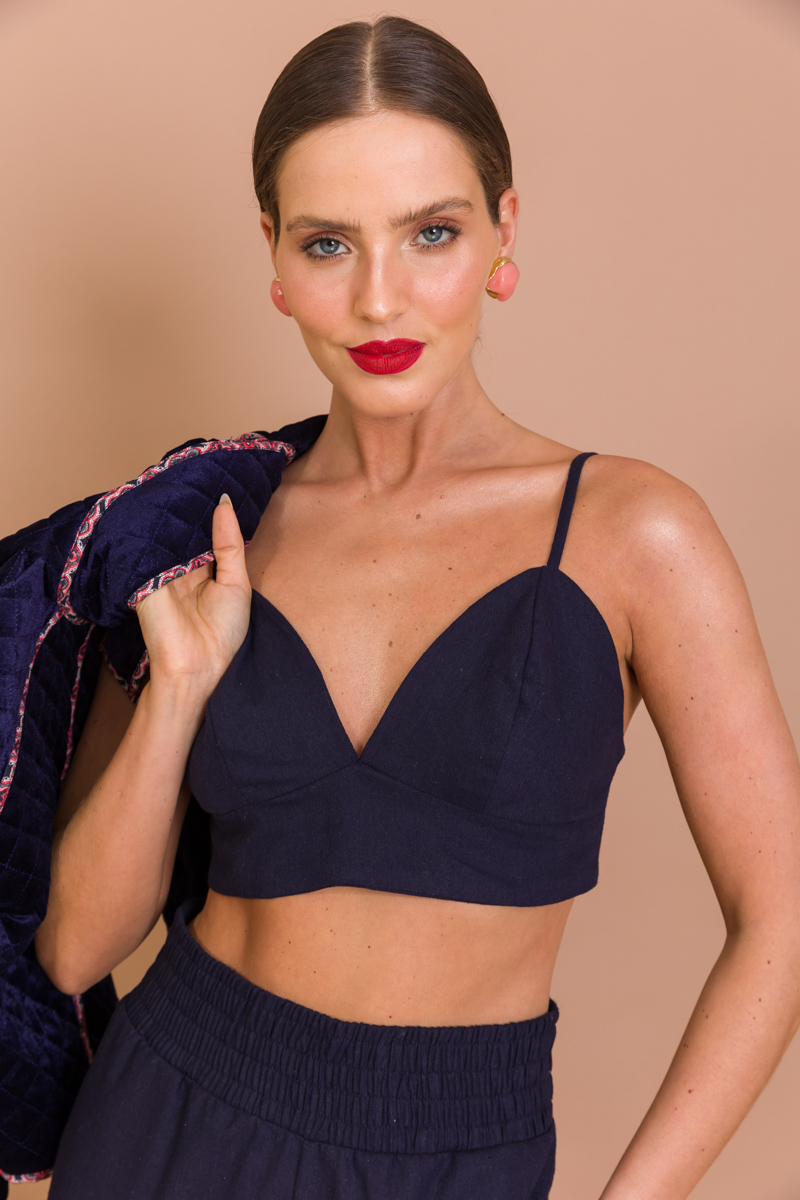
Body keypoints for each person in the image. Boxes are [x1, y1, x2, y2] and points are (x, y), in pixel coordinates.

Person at [35, 15, 800, 1200]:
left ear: (503, 230)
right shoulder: (213, 522)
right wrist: (178, 689)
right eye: (328, 243)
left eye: (429, 232)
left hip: (455, 1147)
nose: (379, 299)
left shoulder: (633, 532)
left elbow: (779, 918)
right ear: (274, 258)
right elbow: (76, 948)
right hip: (170, 1110)